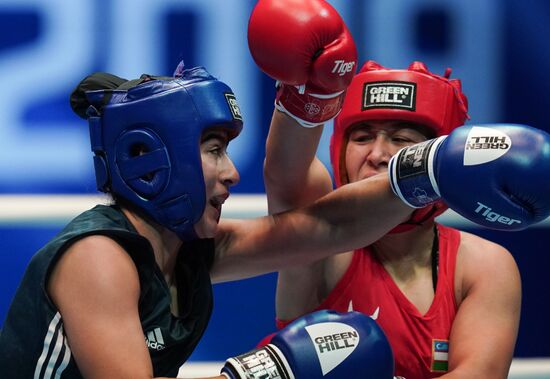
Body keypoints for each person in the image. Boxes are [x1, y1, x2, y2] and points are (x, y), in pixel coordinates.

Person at [1, 5, 548, 379]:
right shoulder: (100, 258)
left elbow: (328, 226)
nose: (232, 174)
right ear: (155, 159)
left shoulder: (187, 252)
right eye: (214, 150)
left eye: (403, 141)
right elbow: (292, 187)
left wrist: (430, 170)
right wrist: (265, 372)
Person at [248, 0, 550, 378]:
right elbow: (285, 176)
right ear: (339, 150)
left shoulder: (482, 267)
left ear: (442, 158)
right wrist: (311, 95)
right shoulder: (323, 245)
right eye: (362, 137)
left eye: (401, 139)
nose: (377, 155)